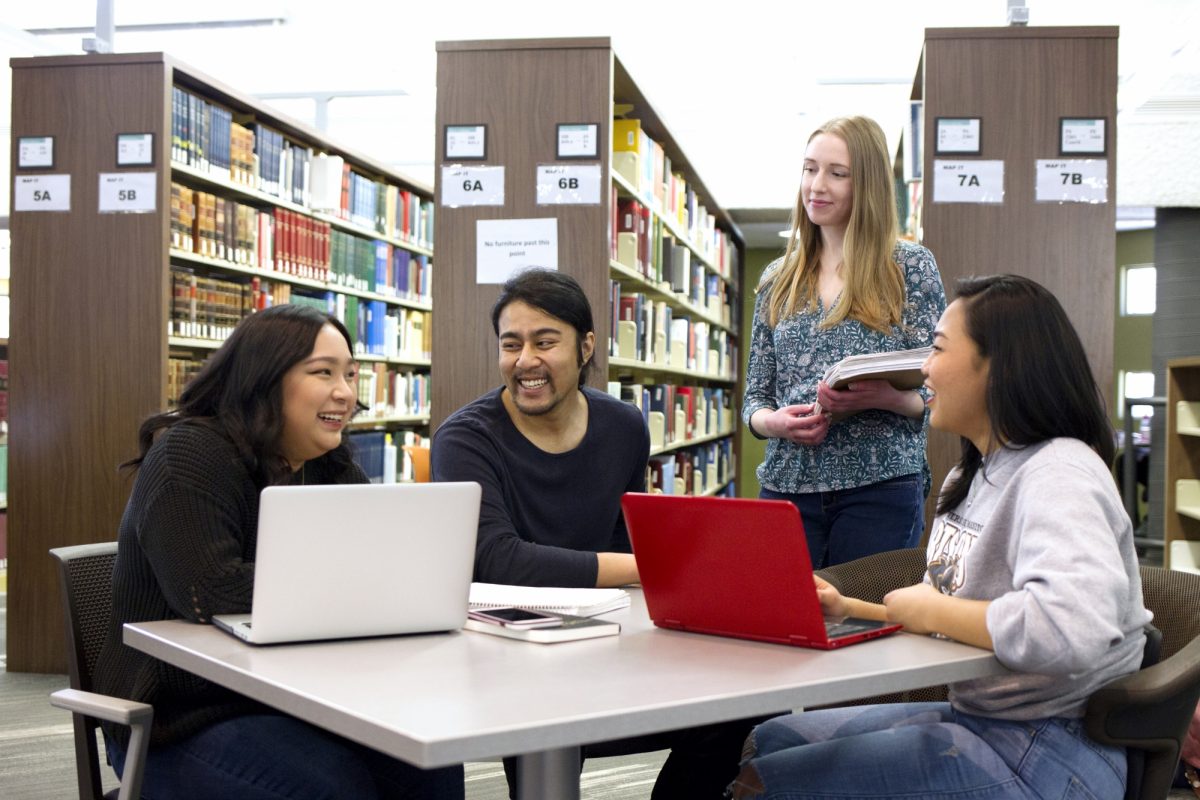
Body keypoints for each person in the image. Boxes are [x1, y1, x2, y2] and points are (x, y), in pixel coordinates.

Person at [728, 274, 1152, 800]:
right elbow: (955, 614)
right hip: (987, 722)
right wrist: (853, 609)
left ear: (998, 366)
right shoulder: (970, 475)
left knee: (766, 783)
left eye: (938, 348)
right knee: (768, 739)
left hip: (1055, 748)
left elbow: (1067, 630)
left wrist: (923, 610)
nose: (924, 367)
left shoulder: (1059, 472)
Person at [93, 304, 463, 800]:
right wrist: (358, 583)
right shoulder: (189, 454)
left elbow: (373, 565)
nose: (345, 392)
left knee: (431, 761)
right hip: (176, 716)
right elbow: (208, 590)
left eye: (350, 375)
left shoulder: (330, 466)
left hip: (296, 696)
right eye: (323, 373)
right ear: (264, 379)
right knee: (331, 787)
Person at [431, 268, 758, 798]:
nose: (524, 361)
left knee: (742, 706)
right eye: (510, 345)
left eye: (544, 342)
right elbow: (497, 560)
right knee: (543, 731)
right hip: (510, 656)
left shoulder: (624, 426)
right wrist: (649, 568)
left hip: (609, 638)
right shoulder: (465, 440)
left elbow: (624, 536)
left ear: (585, 347)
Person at [743, 115, 946, 568]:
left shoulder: (909, 267)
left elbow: (941, 386)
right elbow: (754, 397)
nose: (817, 185)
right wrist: (774, 423)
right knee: (783, 626)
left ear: (867, 186)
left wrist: (889, 399)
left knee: (868, 627)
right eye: (809, 168)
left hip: (882, 487)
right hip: (787, 486)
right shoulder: (776, 278)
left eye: (837, 174)